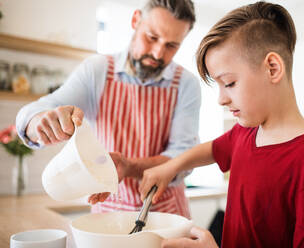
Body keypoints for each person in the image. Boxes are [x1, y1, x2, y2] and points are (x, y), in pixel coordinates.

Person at [139, 1, 304, 247]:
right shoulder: (245, 133)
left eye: (229, 83)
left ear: (272, 68)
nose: (221, 99)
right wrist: (170, 167)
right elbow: (212, 150)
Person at [16, 0, 201, 218]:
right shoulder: (97, 71)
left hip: (166, 214)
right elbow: (36, 111)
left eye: (172, 46)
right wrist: (39, 121)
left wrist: (128, 166)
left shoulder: (186, 84)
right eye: (152, 38)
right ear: (135, 20)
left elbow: (183, 157)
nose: (158, 54)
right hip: (109, 212)